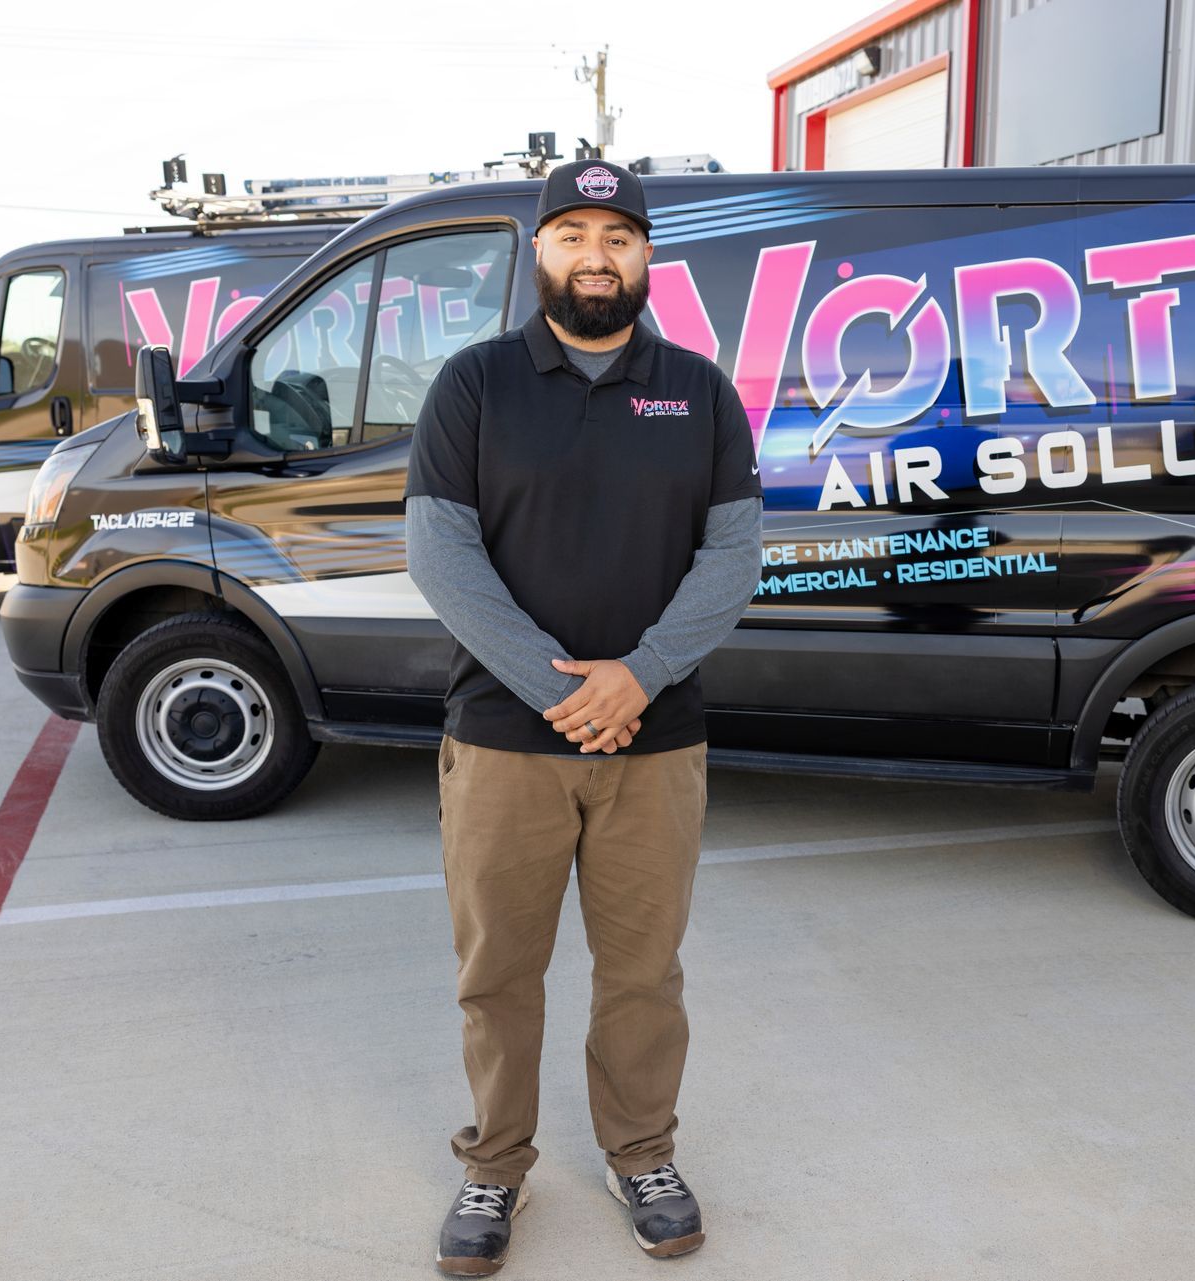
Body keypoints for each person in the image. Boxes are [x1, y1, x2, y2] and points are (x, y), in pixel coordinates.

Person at [404, 157, 764, 1276]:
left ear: (647, 256)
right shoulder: (474, 385)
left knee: (643, 973)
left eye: (617, 236)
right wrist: (566, 690)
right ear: (539, 252)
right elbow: (441, 556)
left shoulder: (699, 390)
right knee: (499, 973)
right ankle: (494, 1164)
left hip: (656, 740)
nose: (596, 256)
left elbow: (733, 554)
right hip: (505, 739)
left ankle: (641, 1153)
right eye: (573, 235)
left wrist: (640, 675)